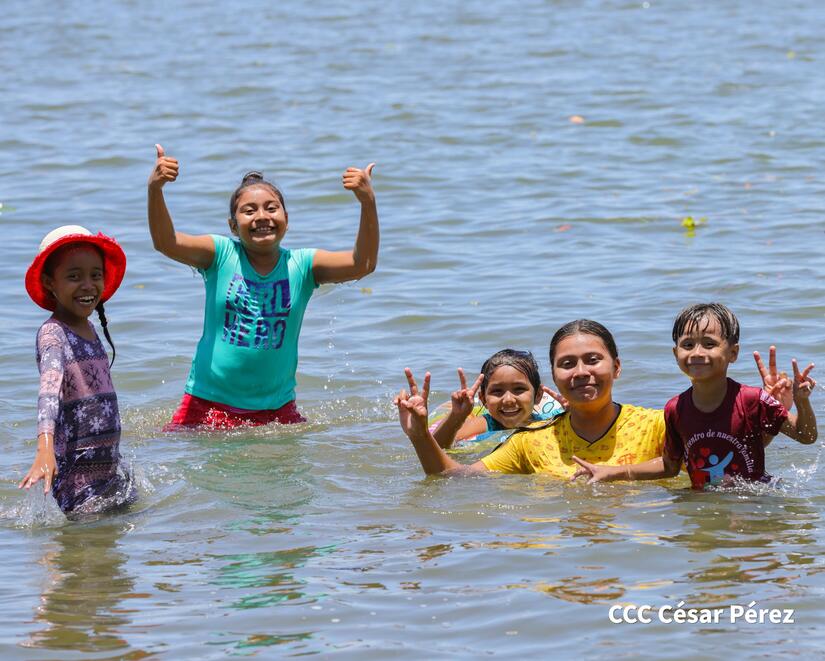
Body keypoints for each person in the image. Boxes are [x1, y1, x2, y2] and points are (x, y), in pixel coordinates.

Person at [147, 145, 379, 429]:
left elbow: (363, 264)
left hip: (276, 411)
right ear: (233, 226)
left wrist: (367, 203)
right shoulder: (220, 254)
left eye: (272, 208)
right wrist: (155, 190)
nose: (262, 217)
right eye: (249, 211)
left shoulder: (302, 265)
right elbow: (165, 242)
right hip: (208, 403)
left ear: (287, 220)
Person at [571, 303, 817, 488]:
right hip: (703, 503)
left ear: (733, 353)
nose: (697, 353)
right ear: (675, 352)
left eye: (709, 344)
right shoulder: (675, 409)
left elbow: (806, 436)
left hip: (753, 502)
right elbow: (669, 466)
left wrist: (802, 403)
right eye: (688, 345)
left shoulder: (752, 399)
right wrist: (611, 472)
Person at [397, 320, 666, 477]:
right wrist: (420, 437)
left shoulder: (658, 425)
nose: (581, 372)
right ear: (554, 375)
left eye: (593, 360)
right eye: (568, 363)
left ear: (616, 367)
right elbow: (455, 478)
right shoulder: (530, 440)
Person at [19, 226, 134, 515]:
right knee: (86, 550)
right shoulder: (53, 335)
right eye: (74, 276)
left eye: (95, 275)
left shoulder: (91, 329)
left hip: (109, 474)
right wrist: (45, 448)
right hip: (78, 482)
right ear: (49, 282)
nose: (87, 285)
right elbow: (49, 392)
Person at [430, 349, 564, 448]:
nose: (508, 399)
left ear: (538, 395)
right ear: (483, 399)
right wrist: (455, 416)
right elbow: (436, 447)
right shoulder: (485, 424)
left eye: (519, 389)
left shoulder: (547, 422)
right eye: (497, 391)